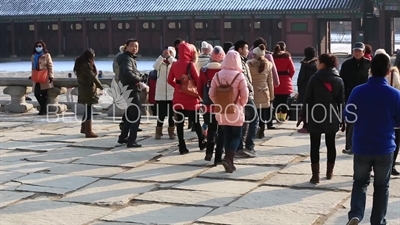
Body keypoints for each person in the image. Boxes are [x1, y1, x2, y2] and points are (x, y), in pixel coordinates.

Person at [344, 53, 400, 225]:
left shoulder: (358, 91)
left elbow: (348, 116)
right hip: (384, 146)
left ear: (371, 69)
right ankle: (377, 221)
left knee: (360, 182)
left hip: (362, 145)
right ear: (388, 71)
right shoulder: (395, 94)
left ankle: (356, 214)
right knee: (382, 186)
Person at [297, 54, 345, 184]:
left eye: (318, 62)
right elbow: (341, 102)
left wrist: (302, 115)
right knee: (331, 145)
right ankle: (329, 173)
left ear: (322, 64)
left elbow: (308, 99)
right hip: (332, 115)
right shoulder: (339, 80)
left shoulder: (314, 78)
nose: (317, 64)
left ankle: (315, 176)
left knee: (315, 145)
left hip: (315, 115)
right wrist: (343, 119)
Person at [209, 50, 249, 173]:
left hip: (221, 111)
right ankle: (229, 157)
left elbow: (211, 93)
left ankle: (229, 162)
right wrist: (241, 104)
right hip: (235, 110)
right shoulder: (239, 76)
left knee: (227, 135)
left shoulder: (217, 75)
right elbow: (245, 95)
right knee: (237, 136)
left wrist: (219, 102)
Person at [167, 42, 206, 154]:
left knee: (179, 124)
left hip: (178, 98)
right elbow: (198, 81)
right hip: (191, 99)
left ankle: (182, 146)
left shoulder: (174, 64)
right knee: (196, 122)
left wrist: (179, 87)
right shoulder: (190, 65)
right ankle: (201, 142)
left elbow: (169, 80)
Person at [340, 42, 371, 155]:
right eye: (355, 51)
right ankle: (349, 146)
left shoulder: (369, 64)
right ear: (352, 52)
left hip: (366, 97)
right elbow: (341, 81)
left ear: (364, 52)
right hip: (350, 97)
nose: (357, 53)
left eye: (359, 51)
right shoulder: (346, 64)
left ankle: (363, 145)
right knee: (350, 122)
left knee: (365, 122)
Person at [374, 49, 400, 176]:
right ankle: (391, 165)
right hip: (391, 112)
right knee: (394, 141)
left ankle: (388, 165)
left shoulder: (360, 89)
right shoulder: (394, 77)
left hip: (379, 113)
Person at [198, 46, 225, 163]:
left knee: (212, 129)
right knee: (222, 131)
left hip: (208, 105)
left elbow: (199, 88)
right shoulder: (224, 70)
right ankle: (218, 156)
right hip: (222, 106)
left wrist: (204, 98)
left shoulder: (204, 71)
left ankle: (209, 151)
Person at [248, 37, 280, 130]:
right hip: (264, 89)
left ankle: (256, 127)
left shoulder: (249, 61)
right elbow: (271, 78)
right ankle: (267, 124)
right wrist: (273, 92)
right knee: (265, 108)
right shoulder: (269, 60)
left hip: (253, 90)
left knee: (255, 110)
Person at [234, 40, 259, 158]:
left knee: (241, 121)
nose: (248, 51)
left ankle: (238, 147)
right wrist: (249, 89)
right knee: (255, 119)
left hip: (240, 95)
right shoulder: (239, 62)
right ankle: (249, 146)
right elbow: (243, 79)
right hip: (245, 95)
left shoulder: (239, 60)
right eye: (246, 48)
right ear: (240, 49)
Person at [117, 38, 143, 148]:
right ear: (126, 46)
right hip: (131, 90)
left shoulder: (129, 58)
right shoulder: (127, 58)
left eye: (136, 46)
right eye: (132, 45)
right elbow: (127, 73)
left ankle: (123, 137)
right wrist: (138, 80)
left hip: (127, 89)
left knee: (130, 115)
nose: (134, 48)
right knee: (136, 115)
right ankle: (131, 140)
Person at [73, 49, 104, 138]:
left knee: (87, 108)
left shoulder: (79, 64)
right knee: (89, 109)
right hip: (88, 89)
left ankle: (84, 128)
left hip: (83, 88)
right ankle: (88, 131)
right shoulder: (85, 66)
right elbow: (93, 76)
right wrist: (101, 86)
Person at [247, 44, 274, 139]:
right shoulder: (269, 64)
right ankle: (262, 130)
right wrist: (272, 96)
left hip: (253, 92)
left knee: (254, 114)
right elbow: (270, 81)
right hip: (264, 91)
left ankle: (254, 131)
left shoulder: (249, 64)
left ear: (253, 55)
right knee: (263, 113)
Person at [153, 46, 177, 140]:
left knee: (171, 114)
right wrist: (162, 56)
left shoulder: (173, 63)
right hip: (161, 92)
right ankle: (158, 132)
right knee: (161, 114)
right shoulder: (160, 62)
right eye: (167, 52)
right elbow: (155, 66)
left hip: (171, 92)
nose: (167, 53)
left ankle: (171, 132)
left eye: (170, 52)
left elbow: (175, 64)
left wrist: (170, 57)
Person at [272, 41, 295, 122]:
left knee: (276, 101)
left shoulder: (273, 56)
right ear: (284, 48)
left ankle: (277, 117)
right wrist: (289, 77)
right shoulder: (287, 56)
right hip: (286, 82)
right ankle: (283, 118)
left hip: (275, 82)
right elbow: (292, 70)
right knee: (285, 102)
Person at [297, 46, 318, 133]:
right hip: (315, 89)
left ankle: (306, 125)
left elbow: (301, 78)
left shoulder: (304, 65)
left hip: (304, 89)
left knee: (305, 107)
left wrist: (299, 89)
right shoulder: (316, 64)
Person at [31, 40, 54, 115]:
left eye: (40, 46)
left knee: (44, 94)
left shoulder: (47, 55)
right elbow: (32, 67)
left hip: (44, 75)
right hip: (36, 75)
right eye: (37, 46)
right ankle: (43, 107)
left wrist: (51, 76)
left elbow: (50, 66)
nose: (38, 47)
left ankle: (43, 110)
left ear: (43, 47)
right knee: (36, 93)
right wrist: (32, 75)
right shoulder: (33, 56)